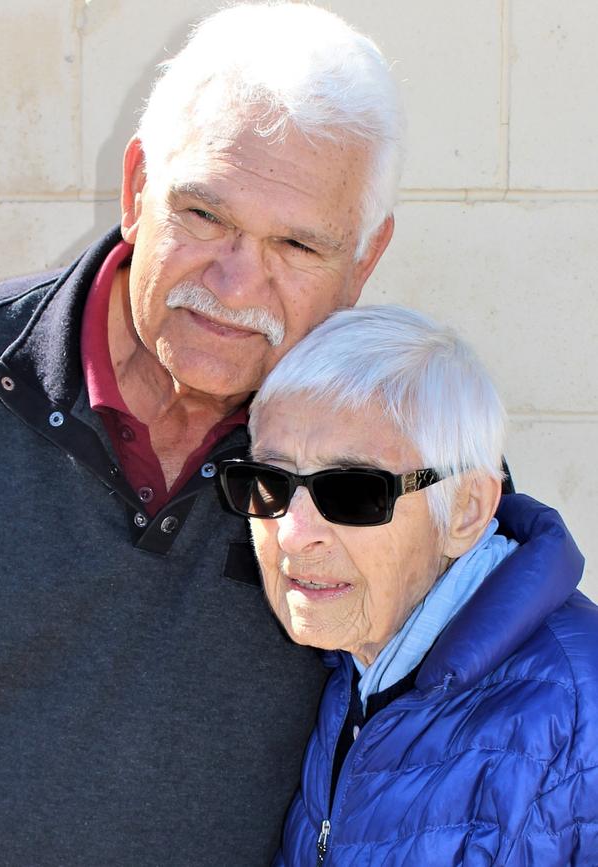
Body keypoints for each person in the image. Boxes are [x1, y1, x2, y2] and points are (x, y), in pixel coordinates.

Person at [0, 4, 403, 865]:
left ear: (364, 262)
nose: (236, 281)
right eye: (204, 216)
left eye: (299, 244)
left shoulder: (397, 459)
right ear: (134, 190)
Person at [219, 305, 598, 865]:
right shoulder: (358, 667)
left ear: (466, 510)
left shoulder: (579, 710)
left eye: (352, 492)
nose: (293, 536)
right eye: (269, 482)